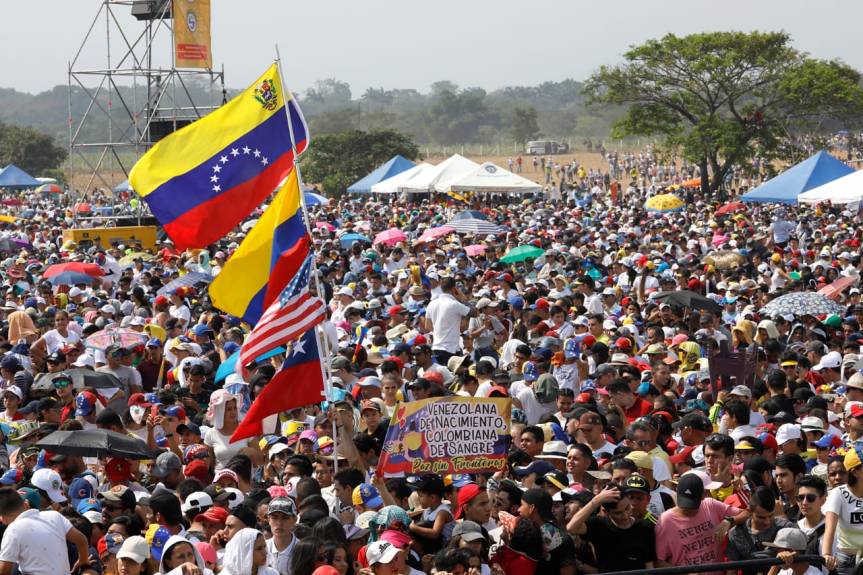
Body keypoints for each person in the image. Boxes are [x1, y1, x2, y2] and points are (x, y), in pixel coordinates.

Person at [655, 473, 747, 573]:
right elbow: (659, 562)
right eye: (684, 503)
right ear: (676, 491)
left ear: (703, 495)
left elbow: (748, 513)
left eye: (692, 504)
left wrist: (729, 520)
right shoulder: (665, 521)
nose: (688, 509)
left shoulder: (710, 505)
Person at [0, 487, 93, 575]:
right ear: (26, 504)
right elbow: (81, 539)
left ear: (2, 519)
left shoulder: (12, 530)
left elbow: (4, 571)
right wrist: (83, 560)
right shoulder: (54, 515)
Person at [565, 484, 656, 571]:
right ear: (606, 512)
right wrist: (596, 500)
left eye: (627, 508)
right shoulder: (598, 525)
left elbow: (649, 564)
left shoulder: (645, 527)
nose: (625, 516)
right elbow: (571, 527)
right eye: (618, 513)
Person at [823, 446, 863, 575]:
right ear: (855, 472)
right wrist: (827, 554)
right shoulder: (838, 494)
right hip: (847, 560)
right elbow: (830, 528)